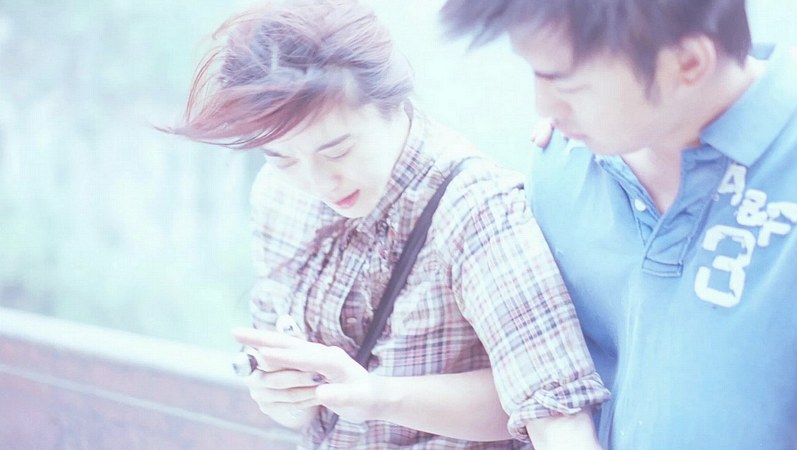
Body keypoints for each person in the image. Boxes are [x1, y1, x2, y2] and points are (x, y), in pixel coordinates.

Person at [164, 1, 609, 448]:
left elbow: (556, 413)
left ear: (391, 103)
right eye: (283, 158)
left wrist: (379, 396)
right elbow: (297, 417)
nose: (319, 182)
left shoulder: (474, 207)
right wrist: (281, 393)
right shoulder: (278, 193)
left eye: (337, 150)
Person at [441, 1, 797, 449]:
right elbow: (532, 389)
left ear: (688, 63)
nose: (544, 107)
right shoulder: (561, 162)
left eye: (567, 83)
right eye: (535, 72)